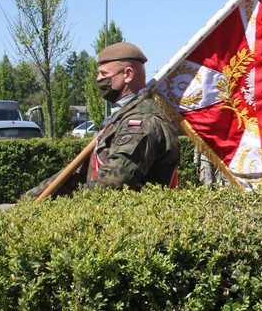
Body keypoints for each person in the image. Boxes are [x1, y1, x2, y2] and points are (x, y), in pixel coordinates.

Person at [25, 42, 180, 198]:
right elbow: (81, 172)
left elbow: (113, 183)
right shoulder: (123, 116)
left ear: (128, 74)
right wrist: (33, 197)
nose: (98, 79)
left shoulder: (142, 121)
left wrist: (74, 210)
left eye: (104, 74)